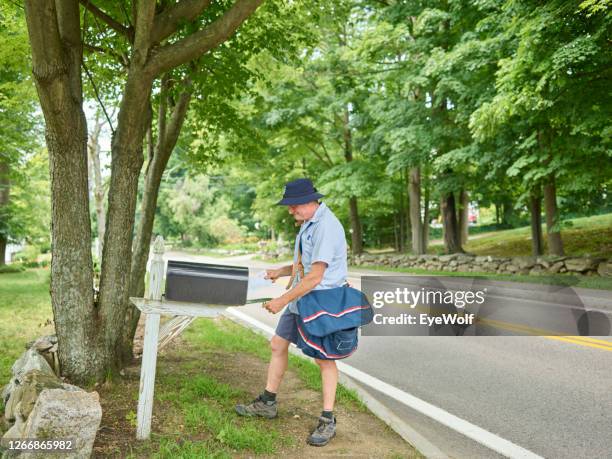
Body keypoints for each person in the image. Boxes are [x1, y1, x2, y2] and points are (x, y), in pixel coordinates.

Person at [235, 178, 348, 447]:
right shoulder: (309, 223)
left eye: (293, 206)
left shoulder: (327, 227)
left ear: (311, 202)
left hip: (322, 302)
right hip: (301, 297)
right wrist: (281, 271)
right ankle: (268, 403)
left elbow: (316, 277)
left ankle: (328, 419)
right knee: (277, 344)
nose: (290, 211)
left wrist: (281, 300)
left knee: (324, 359)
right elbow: (305, 265)